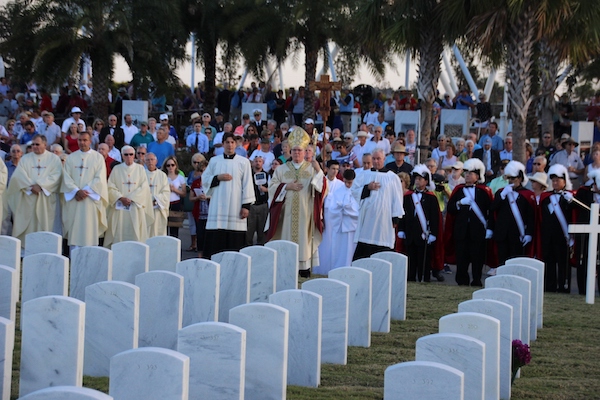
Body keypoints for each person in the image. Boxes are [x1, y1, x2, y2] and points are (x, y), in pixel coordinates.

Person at [266, 127, 327, 276]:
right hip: (285, 215)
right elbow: (272, 187)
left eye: (300, 150)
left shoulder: (311, 169)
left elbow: (323, 189)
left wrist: (319, 171)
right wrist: (287, 186)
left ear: (305, 151)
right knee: (286, 242)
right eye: (294, 150)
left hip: (305, 214)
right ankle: (285, 270)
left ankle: (304, 271)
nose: (297, 153)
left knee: (304, 243)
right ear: (290, 151)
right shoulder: (281, 170)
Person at [202, 132, 256, 257]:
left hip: (235, 207)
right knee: (216, 238)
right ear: (223, 144)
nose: (230, 145)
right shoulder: (214, 161)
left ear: (236, 144)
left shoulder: (244, 162)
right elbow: (205, 179)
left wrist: (246, 206)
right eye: (227, 142)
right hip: (218, 206)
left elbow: (248, 184)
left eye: (232, 142)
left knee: (234, 241)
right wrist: (217, 178)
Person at [6, 134, 62, 244]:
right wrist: (31, 186)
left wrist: (40, 186)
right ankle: (26, 249)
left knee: (47, 225)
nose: (34, 146)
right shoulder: (25, 158)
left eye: (37, 144)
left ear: (45, 145)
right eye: (33, 144)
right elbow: (18, 176)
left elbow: (57, 175)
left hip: (46, 199)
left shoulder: (54, 159)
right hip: (29, 198)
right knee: (29, 225)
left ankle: (47, 247)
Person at [445, 158, 494, 286]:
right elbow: (450, 208)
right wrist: (459, 203)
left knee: (477, 258)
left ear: (477, 176)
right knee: (462, 258)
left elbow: (491, 211)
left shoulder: (484, 191)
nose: (467, 175)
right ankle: (462, 280)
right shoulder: (459, 190)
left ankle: (476, 280)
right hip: (461, 230)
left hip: (478, 230)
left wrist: (489, 228)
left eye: (470, 173)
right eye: (466, 173)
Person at [352, 148, 404, 260]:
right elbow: (354, 191)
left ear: (384, 159)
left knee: (383, 244)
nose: (376, 161)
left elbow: (397, 198)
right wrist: (367, 188)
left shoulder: (392, 177)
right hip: (368, 219)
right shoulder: (364, 174)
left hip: (384, 220)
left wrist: (396, 217)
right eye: (374, 159)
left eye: (378, 159)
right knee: (364, 249)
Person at [61, 131, 108, 249]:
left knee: (89, 228)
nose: (82, 143)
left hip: (90, 199)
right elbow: (66, 177)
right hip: (75, 198)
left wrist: (85, 191)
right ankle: (74, 255)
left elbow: (100, 177)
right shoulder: (71, 157)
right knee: (75, 227)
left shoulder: (98, 157)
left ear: (90, 141)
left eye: (85, 140)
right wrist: (76, 191)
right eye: (80, 140)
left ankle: (90, 255)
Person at [398, 164, 444, 282]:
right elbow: (403, 214)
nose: (417, 181)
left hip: (424, 234)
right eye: (416, 179)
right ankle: (411, 278)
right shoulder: (408, 196)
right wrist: (401, 230)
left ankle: (424, 278)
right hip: (410, 232)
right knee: (411, 258)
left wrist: (433, 234)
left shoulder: (431, 198)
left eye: (420, 179)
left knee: (424, 259)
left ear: (426, 181)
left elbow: (435, 218)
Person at [104, 145, 153, 247]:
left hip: (135, 206)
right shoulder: (117, 169)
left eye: (131, 154)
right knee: (119, 232)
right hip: (120, 207)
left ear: (134, 155)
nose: (129, 157)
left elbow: (144, 187)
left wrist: (130, 198)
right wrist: (121, 198)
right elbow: (110, 186)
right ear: (122, 155)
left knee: (136, 234)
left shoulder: (140, 169)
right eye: (126, 154)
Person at [490, 160, 536, 267]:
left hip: (518, 234)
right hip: (502, 233)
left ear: (520, 179)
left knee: (516, 262)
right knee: (502, 262)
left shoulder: (527, 194)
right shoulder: (501, 192)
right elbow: (493, 208)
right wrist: (502, 196)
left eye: (513, 178)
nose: (510, 181)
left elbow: (530, 216)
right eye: (509, 178)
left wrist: (529, 233)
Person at [314, 168, 359, 275]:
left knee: (349, 251)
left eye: (350, 182)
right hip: (340, 225)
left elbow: (358, 210)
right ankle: (337, 270)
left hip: (351, 226)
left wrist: (347, 209)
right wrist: (340, 208)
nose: (348, 185)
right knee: (338, 250)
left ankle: (349, 270)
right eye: (346, 182)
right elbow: (332, 209)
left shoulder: (357, 191)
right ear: (343, 179)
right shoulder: (338, 191)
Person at [539, 164, 575, 292]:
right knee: (550, 263)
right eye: (553, 181)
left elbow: (573, 215)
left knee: (563, 263)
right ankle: (550, 286)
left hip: (562, 236)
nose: (554, 183)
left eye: (557, 180)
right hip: (549, 236)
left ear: (564, 182)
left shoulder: (569, 198)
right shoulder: (546, 198)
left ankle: (563, 286)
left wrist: (571, 202)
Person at [245, 156, 269, 246]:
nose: (258, 163)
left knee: (262, 230)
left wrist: (266, 189)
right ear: (252, 163)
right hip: (251, 205)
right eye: (256, 161)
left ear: (262, 163)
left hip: (263, 205)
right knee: (249, 231)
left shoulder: (267, 175)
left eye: (260, 161)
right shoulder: (248, 175)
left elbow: (273, 188)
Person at [145, 152, 170, 238]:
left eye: (152, 159)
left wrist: (155, 201)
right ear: (145, 161)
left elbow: (166, 192)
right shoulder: (141, 174)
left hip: (158, 209)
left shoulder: (162, 175)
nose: (150, 162)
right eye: (148, 160)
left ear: (156, 161)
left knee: (157, 232)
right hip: (145, 209)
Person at [162, 155, 187, 238]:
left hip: (175, 203)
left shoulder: (180, 177)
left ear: (176, 165)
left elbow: (184, 193)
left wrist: (175, 190)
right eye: (168, 165)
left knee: (174, 227)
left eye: (172, 165)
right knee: (163, 227)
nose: (170, 167)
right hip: (164, 203)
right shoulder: (163, 176)